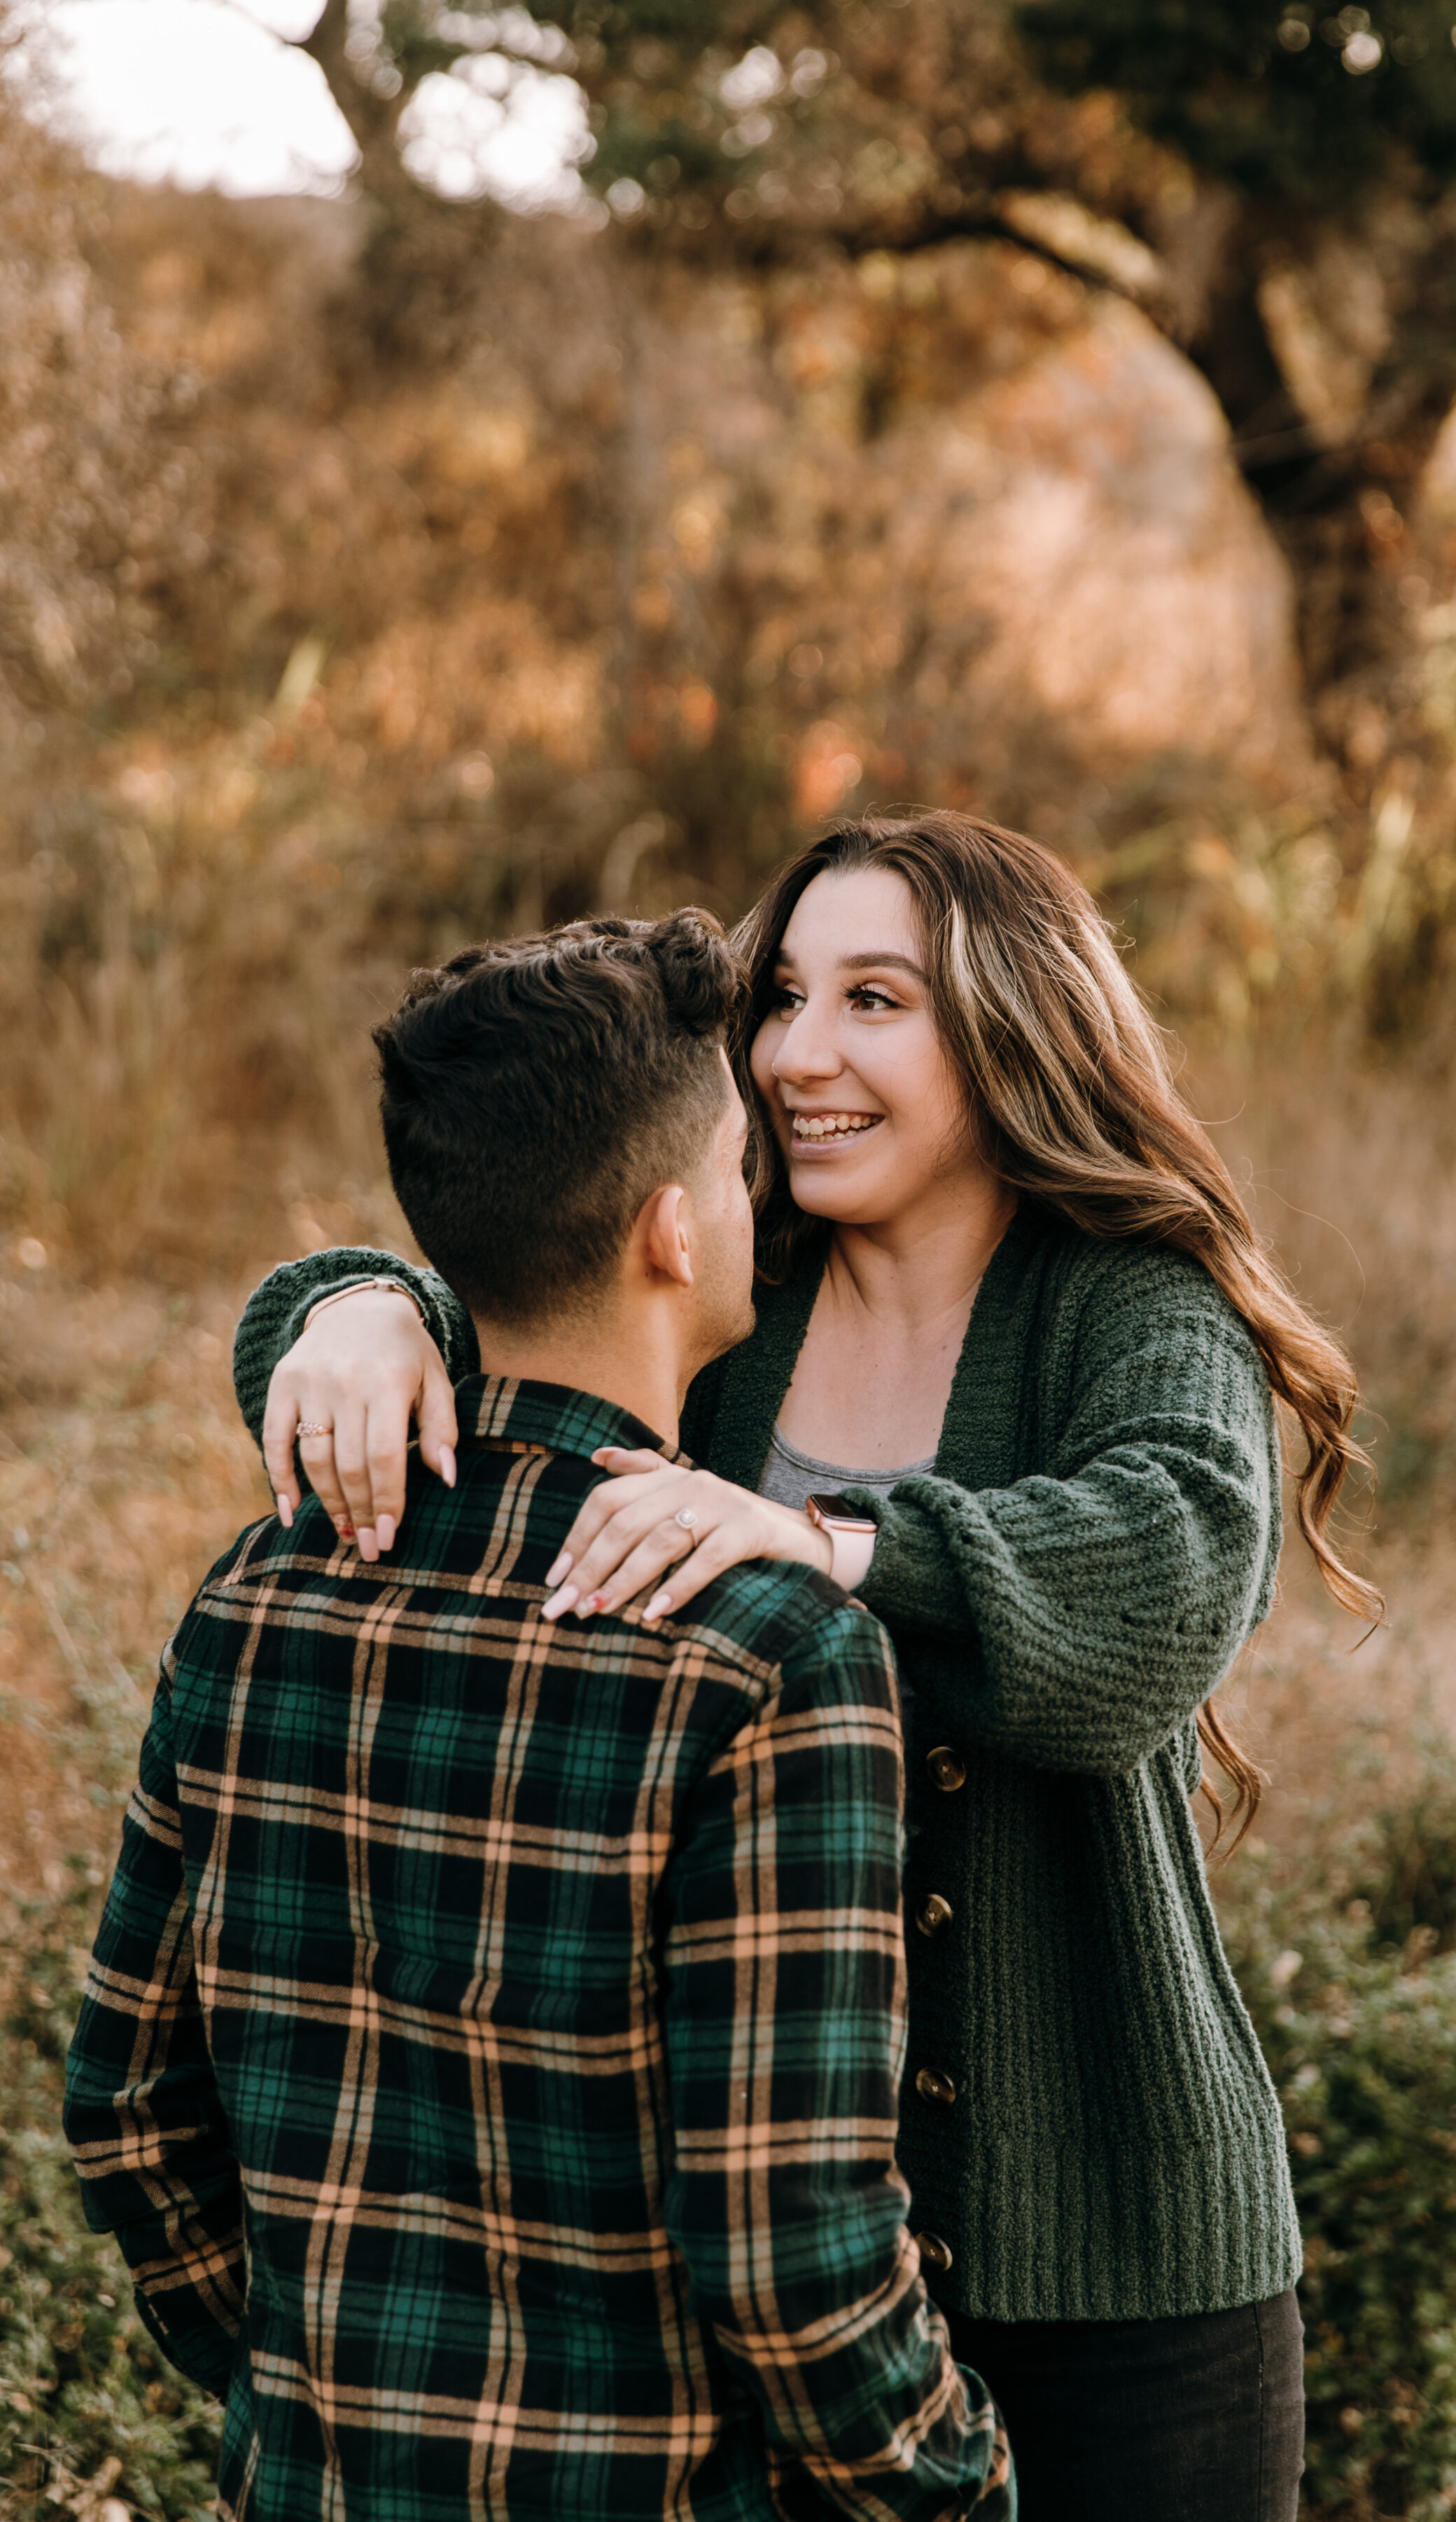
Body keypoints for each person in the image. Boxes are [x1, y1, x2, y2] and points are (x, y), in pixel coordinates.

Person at [231, 811, 1380, 2521]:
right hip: (778, 2264)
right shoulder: (726, 1292)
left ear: (1011, 1027)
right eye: (779, 997)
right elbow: (512, 1283)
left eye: (873, 1000)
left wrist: (835, 1546)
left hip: (1127, 2271)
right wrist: (352, 1306)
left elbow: (1167, 1577)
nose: (795, 1054)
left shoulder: (1129, 1304)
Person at [64, 910, 1015, 2522]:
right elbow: (795, 2260)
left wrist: (308, 2381)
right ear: (671, 1234)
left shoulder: (256, 1594)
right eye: (733, 1167)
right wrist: (957, 2486)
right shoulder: (768, 1652)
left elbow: (129, 2109)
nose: (754, 1194)